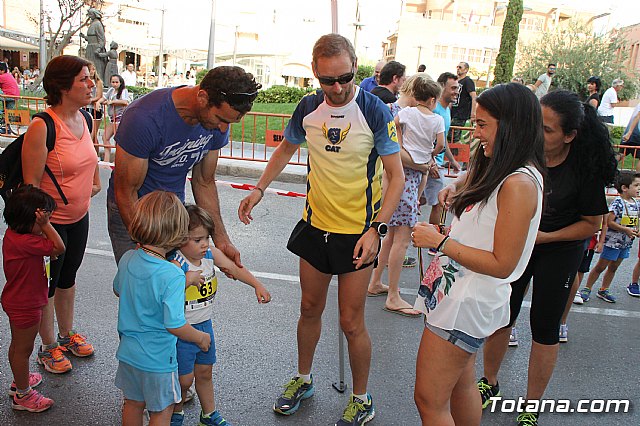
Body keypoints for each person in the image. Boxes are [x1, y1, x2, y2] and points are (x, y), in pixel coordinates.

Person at [238, 33, 404, 425]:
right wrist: (260, 187)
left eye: (345, 77)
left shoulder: (376, 111)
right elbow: (285, 148)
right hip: (315, 227)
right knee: (309, 309)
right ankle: (303, 379)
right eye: (327, 80)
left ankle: (362, 399)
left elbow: (395, 177)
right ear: (315, 74)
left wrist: (377, 230)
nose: (338, 87)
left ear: (356, 67)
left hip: (358, 233)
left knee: (351, 321)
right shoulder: (308, 107)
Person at [478, 90, 617, 426]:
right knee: (501, 316)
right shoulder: (523, 154)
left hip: (559, 249)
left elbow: (590, 224)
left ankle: (531, 405)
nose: (538, 134)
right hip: (518, 245)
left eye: (549, 130)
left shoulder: (584, 169)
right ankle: (489, 381)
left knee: (545, 325)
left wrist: (545, 236)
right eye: (536, 124)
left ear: (570, 136)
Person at [411, 82, 544, 426]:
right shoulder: (506, 170)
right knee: (461, 384)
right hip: (462, 296)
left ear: (510, 126)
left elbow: (503, 264)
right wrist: (456, 189)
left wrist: (439, 242)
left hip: (466, 303)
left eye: (482, 124)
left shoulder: (518, 183)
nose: (475, 132)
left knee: (429, 400)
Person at [107, 65, 261, 265]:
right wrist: (147, 247)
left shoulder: (218, 123)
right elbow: (126, 190)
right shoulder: (144, 118)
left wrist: (222, 241)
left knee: (176, 287)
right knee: (143, 287)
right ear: (203, 97)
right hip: (135, 211)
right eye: (220, 119)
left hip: (175, 214)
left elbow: (204, 182)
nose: (223, 128)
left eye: (230, 123)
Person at [22, 55, 102, 375]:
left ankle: (66, 335)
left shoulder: (86, 118)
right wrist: (41, 227)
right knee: (47, 287)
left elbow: (91, 159)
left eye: (90, 78)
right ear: (62, 87)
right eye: (83, 79)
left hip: (79, 217)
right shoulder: (42, 126)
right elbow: (30, 186)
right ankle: (47, 346)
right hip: (49, 224)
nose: (91, 84)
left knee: (68, 280)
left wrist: (93, 186)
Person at [113, 191, 211, 425]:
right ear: (176, 233)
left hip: (128, 354)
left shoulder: (128, 257)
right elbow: (175, 323)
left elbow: (119, 289)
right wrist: (200, 337)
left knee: (133, 403)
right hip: (157, 360)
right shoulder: (173, 273)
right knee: (162, 409)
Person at [168, 205, 271, 426]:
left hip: (205, 324)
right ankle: (175, 415)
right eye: (197, 240)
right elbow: (165, 293)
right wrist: (187, 280)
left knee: (205, 372)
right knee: (183, 380)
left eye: (206, 237)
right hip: (182, 330)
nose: (204, 243)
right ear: (179, 239)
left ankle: (209, 415)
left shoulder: (209, 254)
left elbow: (233, 268)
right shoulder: (176, 263)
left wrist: (256, 284)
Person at [368, 74, 444, 316]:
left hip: (396, 179)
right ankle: (393, 294)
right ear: (432, 99)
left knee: (390, 237)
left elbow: (396, 131)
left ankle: (375, 282)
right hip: (408, 180)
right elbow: (440, 145)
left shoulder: (406, 114)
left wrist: (402, 140)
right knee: (401, 239)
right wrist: (429, 154)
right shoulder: (436, 120)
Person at [1, 186, 65, 412]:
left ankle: (20, 379)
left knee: (18, 346)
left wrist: (42, 224)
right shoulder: (29, 242)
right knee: (23, 349)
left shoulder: (14, 235)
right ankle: (23, 394)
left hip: (17, 299)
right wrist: (47, 226)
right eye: (43, 220)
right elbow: (59, 246)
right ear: (28, 221)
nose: (47, 225)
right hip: (26, 304)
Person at [579, 171, 640, 303]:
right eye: (636, 185)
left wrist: (636, 230)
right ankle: (587, 288)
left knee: (614, 267)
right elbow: (610, 222)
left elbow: (635, 220)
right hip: (613, 242)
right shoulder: (618, 202)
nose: (638, 189)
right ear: (624, 188)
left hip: (626, 243)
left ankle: (604, 289)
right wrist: (625, 229)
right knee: (601, 266)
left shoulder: (636, 203)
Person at [97, 74, 130, 162]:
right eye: (113, 82)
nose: (114, 84)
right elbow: (103, 98)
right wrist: (98, 103)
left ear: (120, 82)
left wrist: (112, 102)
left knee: (118, 140)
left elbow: (125, 101)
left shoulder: (123, 91)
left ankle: (118, 161)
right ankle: (107, 159)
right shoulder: (111, 90)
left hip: (120, 118)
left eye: (116, 82)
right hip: (112, 118)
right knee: (105, 137)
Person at [450, 62, 477, 142]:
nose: (458, 69)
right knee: (448, 135)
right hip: (452, 112)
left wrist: (473, 113)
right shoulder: (456, 81)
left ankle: (454, 153)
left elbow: (474, 97)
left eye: (460, 67)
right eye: (457, 67)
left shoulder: (468, 81)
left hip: (461, 113)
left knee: (454, 137)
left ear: (466, 70)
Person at [81, 8, 107, 82]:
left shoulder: (98, 24)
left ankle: (98, 82)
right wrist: (84, 37)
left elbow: (102, 39)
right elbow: (91, 38)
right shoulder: (92, 24)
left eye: (91, 14)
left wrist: (98, 49)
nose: (90, 16)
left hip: (95, 49)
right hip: (89, 48)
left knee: (96, 66)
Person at [83, 63, 104, 152]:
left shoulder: (98, 82)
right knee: (86, 133)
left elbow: (99, 96)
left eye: (93, 69)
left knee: (93, 134)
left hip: (94, 109)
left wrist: (89, 100)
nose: (92, 72)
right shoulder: (82, 81)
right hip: (85, 108)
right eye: (90, 69)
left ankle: (96, 154)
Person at [0, 62, 20, 134]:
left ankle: (5, 127)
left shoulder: (2, 76)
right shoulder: (8, 75)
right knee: (7, 112)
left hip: (9, 95)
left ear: (2, 70)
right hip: (14, 96)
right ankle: (6, 128)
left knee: (6, 112)